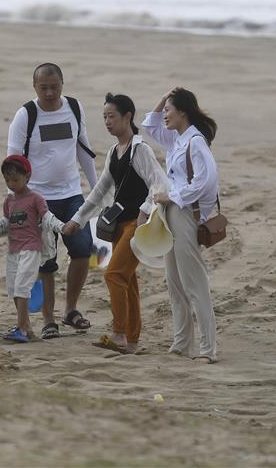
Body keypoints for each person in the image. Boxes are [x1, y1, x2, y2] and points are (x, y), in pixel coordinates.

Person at [63, 94, 168, 354]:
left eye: (112, 116)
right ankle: (131, 341)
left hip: (136, 225)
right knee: (127, 280)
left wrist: (145, 211)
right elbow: (99, 192)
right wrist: (77, 220)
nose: (107, 122)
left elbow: (160, 182)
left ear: (128, 117)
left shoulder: (139, 149)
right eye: (104, 117)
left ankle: (119, 334)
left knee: (114, 275)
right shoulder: (114, 151)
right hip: (118, 225)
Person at [7, 62, 98, 339]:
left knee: (83, 250)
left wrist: (96, 189)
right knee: (46, 262)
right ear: (34, 87)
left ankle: (71, 310)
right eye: (43, 87)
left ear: (62, 85)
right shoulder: (26, 115)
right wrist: (15, 201)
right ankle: (49, 320)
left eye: (54, 87)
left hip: (71, 193)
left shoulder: (74, 107)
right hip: (38, 198)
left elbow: (83, 149)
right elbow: (12, 162)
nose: (49, 92)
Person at [143, 87, 220, 364]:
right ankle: (181, 344)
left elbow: (205, 181)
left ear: (183, 112)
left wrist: (172, 196)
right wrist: (164, 97)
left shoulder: (195, 141)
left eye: (169, 110)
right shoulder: (177, 139)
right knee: (174, 282)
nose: (164, 114)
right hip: (171, 212)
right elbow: (149, 126)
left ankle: (208, 350)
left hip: (184, 213)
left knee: (194, 283)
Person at [0, 155, 66, 343]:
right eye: (8, 180)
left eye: (15, 179)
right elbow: (7, 222)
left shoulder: (35, 199)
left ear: (27, 177)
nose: (12, 184)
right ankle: (27, 328)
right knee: (14, 288)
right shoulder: (9, 201)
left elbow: (47, 218)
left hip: (31, 248)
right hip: (13, 249)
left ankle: (21, 328)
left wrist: (63, 227)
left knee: (22, 286)